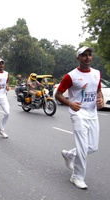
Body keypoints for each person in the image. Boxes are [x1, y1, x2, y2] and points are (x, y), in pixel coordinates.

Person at [55, 46, 104, 189]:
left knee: (93, 147)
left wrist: (100, 99)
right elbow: (58, 94)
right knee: (82, 147)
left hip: (92, 113)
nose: (87, 57)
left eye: (89, 55)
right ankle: (77, 176)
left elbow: (98, 90)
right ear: (78, 58)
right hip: (78, 113)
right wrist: (70, 103)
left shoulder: (96, 74)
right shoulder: (71, 76)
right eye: (84, 55)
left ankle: (70, 154)